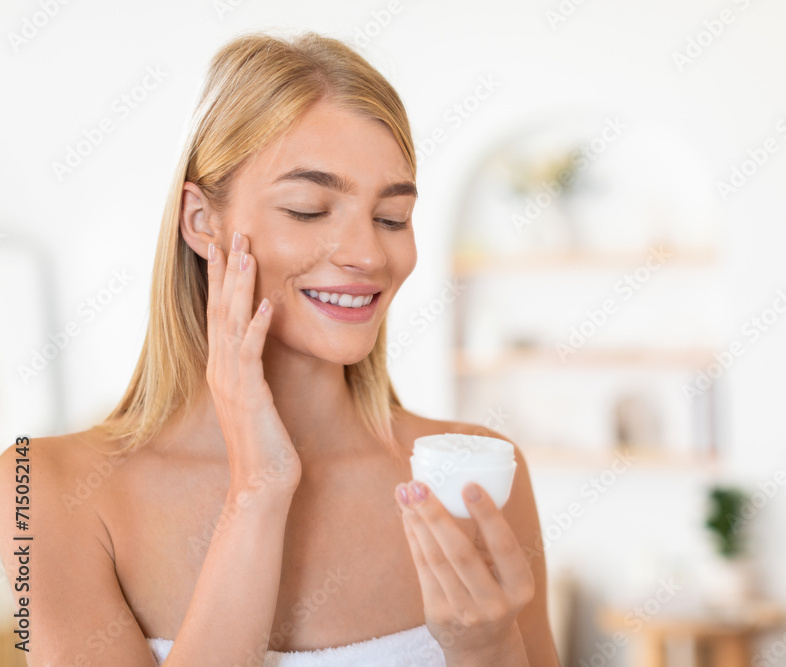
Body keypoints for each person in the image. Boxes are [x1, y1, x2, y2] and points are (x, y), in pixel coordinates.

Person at [0, 31, 560, 667]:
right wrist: (258, 492)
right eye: (308, 209)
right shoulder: (36, 485)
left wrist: (490, 648)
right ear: (201, 221)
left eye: (392, 218)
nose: (369, 255)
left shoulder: (474, 474)